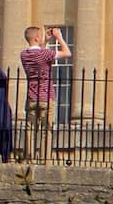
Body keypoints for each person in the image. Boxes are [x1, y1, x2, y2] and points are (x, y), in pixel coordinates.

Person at [18, 26, 70, 163]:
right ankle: (45, 159)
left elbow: (39, 53)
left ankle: (28, 157)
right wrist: (59, 37)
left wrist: (45, 42)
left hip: (31, 97)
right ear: (36, 37)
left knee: (30, 129)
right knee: (46, 129)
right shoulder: (44, 54)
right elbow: (67, 53)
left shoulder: (24, 55)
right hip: (46, 97)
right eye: (39, 36)